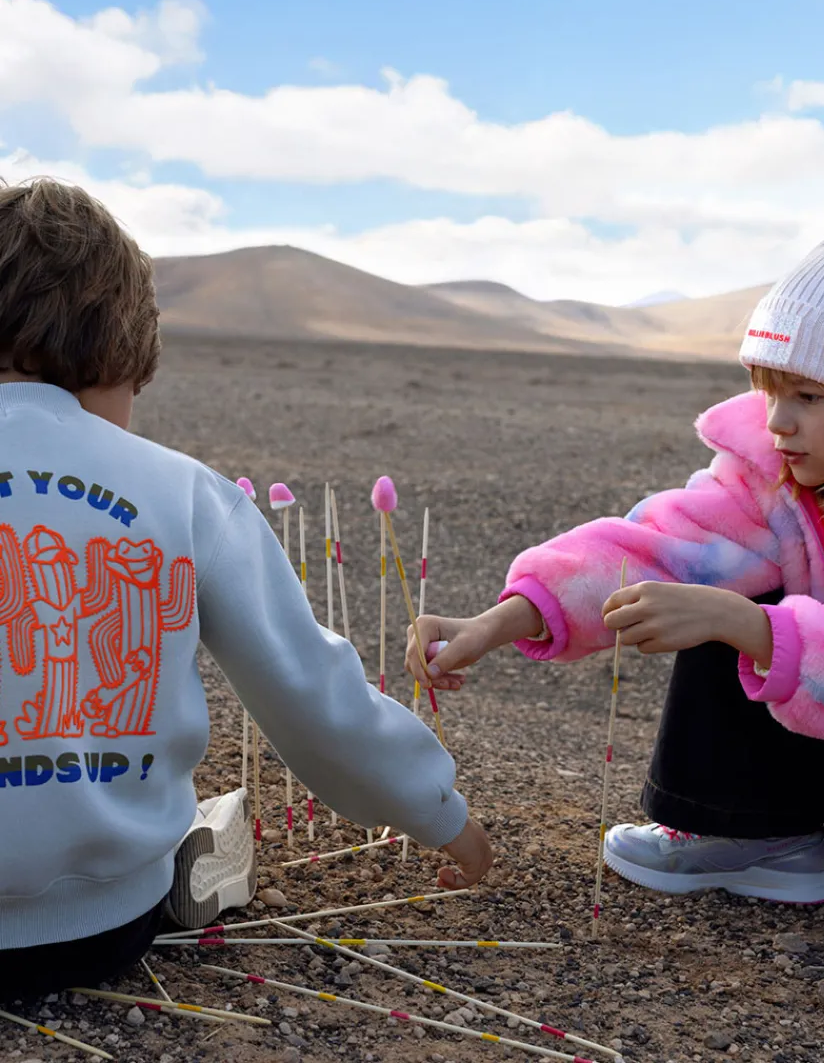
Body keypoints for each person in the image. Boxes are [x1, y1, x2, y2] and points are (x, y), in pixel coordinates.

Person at [408, 181, 824, 913]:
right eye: (769, 391)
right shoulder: (775, 472)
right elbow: (664, 544)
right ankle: (751, 834)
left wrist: (741, 622)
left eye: (808, 397)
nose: (777, 422)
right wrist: (502, 618)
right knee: (719, 583)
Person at [0, 178, 492, 1001]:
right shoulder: (182, 492)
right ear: (118, 351)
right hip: (95, 931)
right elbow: (311, 691)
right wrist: (440, 813)